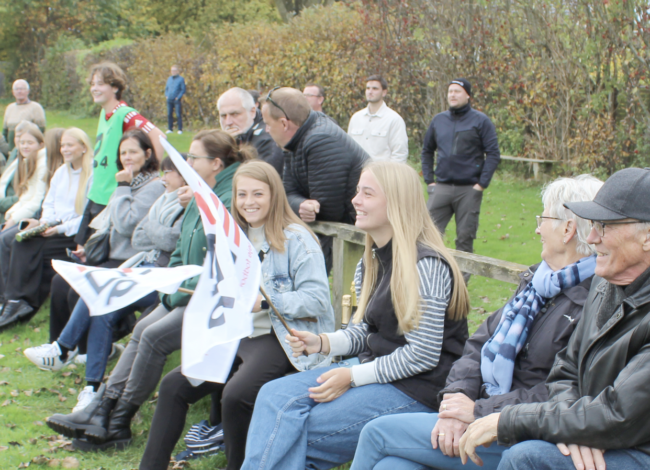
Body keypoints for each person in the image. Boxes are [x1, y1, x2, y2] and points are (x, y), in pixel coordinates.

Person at [350, 175, 603, 470]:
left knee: (377, 433)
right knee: (393, 466)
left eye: (543, 219)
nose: (537, 229)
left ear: (568, 229)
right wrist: (456, 399)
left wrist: (478, 410)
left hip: (517, 432)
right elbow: (478, 344)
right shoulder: (538, 282)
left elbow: (561, 389)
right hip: (481, 412)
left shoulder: (593, 301)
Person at [241, 161, 470, 470]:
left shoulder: (425, 265)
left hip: (420, 389)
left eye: (367, 193)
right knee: (273, 394)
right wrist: (323, 342)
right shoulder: (371, 261)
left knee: (298, 431)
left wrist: (352, 377)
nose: (355, 200)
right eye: (357, 191)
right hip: (377, 370)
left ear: (396, 202)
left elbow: (423, 355)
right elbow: (366, 331)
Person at [43, 130, 252, 451]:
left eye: (193, 157)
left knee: (153, 336)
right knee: (142, 327)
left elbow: (221, 265)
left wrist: (176, 292)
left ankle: (118, 422)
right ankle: (101, 409)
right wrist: (171, 287)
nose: (186, 162)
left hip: (212, 300)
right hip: (185, 290)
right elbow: (180, 251)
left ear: (216, 163)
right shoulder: (200, 192)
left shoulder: (227, 198)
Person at [140, 160, 336, 470]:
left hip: (280, 336)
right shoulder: (232, 238)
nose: (248, 202)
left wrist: (266, 303)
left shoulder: (298, 239)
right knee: (174, 385)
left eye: (258, 194)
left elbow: (317, 300)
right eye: (242, 194)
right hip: (237, 332)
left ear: (274, 195)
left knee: (236, 395)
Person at [458, 167, 650, 470]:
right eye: (593, 225)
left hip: (638, 447)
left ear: (647, 237)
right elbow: (565, 369)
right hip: (599, 430)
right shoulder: (605, 285)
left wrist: (508, 419)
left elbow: (619, 413)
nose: (592, 238)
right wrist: (574, 429)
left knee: (525, 458)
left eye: (604, 226)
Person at [23, 130, 165, 409]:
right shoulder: (131, 182)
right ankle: (84, 375)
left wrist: (122, 187)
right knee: (66, 284)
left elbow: (126, 224)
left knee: (95, 291)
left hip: (135, 264)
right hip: (114, 258)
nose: (127, 157)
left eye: (133, 151)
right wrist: (89, 247)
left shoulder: (152, 186)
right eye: (123, 153)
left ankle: (64, 350)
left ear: (148, 154)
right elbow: (108, 222)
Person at [262, 87, 369, 273]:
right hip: (349, 229)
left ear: (284, 123)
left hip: (364, 233)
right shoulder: (294, 140)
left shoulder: (321, 140)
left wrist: (303, 207)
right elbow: (288, 193)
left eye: (268, 124)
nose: (266, 130)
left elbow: (327, 211)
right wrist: (301, 205)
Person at [0, 128, 94, 329]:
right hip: (52, 227)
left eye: (70, 145)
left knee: (26, 247)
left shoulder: (92, 175)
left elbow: (87, 216)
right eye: (63, 145)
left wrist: (58, 229)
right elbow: (49, 203)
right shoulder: (61, 172)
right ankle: (12, 299)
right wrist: (45, 223)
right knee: (17, 239)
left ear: (83, 147)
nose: (64, 149)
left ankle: (20, 301)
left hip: (72, 234)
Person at [74, 62, 165, 255]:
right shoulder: (104, 113)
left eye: (100, 84)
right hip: (97, 193)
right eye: (92, 84)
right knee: (81, 254)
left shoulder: (126, 114)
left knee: (96, 257)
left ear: (115, 87)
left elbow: (158, 136)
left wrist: (149, 172)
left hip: (112, 196)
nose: (94, 88)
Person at [422, 78, 500, 283]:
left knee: (465, 238)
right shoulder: (439, 120)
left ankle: (460, 284)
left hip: (468, 190)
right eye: (450, 91)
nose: (452, 95)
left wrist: (481, 185)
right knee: (427, 233)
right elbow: (427, 150)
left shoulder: (480, 121)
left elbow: (493, 153)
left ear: (468, 95)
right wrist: (430, 180)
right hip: (441, 187)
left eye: (457, 91)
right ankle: (428, 276)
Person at [218, 87, 284, 175]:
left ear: (252, 112)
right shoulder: (240, 134)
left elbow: (259, 178)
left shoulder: (266, 139)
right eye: (223, 116)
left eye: (235, 114)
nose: (228, 122)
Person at [348, 75, 408, 163]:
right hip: (358, 170)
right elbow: (348, 149)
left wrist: (390, 172)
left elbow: (400, 154)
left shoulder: (394, 120)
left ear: (384, 92)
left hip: (382, 171)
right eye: (368, 88)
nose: (370, 92)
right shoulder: (356, 118)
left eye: (375, 89)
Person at [1, 122, 47, 232]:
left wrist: (12, 220)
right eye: (22, 143)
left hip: (34, 216)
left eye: (30, 143)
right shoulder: (26, 160)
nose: (25, 146)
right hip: (17, 209)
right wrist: (11, 217)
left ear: (41, 144)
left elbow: (36, 200)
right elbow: (26, 197)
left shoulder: (42, 164)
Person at [0, 121, 32, 224]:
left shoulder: (32, 162)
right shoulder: (15, 152)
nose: (21, 141)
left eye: (27, 139)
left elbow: (23, 198)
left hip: (11, 209)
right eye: (18, 136)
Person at [2, 79, 46, 151]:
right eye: (16, 89)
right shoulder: (9, 108)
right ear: (13, 92)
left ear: (28, 91)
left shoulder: (36, 107)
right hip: (11, 150)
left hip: (28, 149)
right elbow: (5, 132)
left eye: (22, 89)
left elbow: (41, 132)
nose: (19, 91)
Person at [165, 65, 186, 135]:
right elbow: (166, 88)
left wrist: (178, 97)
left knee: (178, 114)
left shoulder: (181, 79)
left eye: (174, 70)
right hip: (169, 99)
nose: (173, 72)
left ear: (177, 71)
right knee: (169, 114)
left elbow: (183, 89)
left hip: (176, 100)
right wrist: (166, 95)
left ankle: (180, 129)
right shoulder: (169, 79)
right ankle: (170, 129)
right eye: (172, 70)